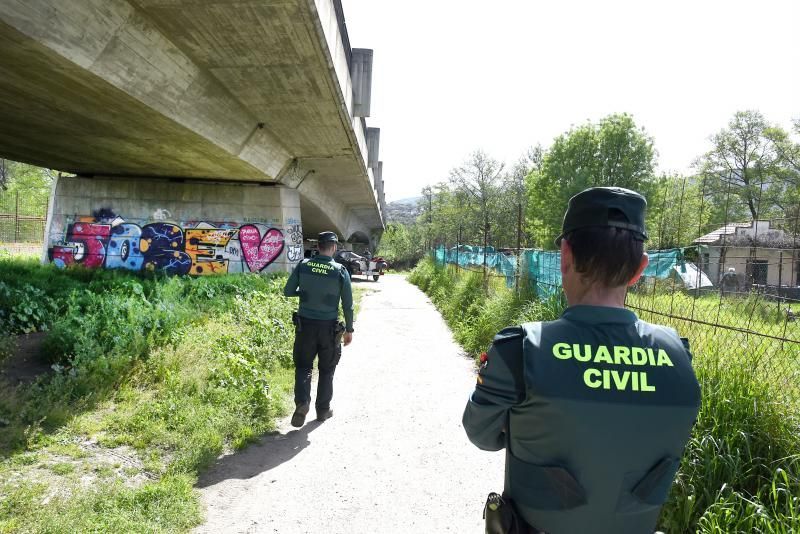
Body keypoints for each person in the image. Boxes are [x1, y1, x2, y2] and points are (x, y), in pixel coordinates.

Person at [463, 187, 701, 534]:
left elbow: (482, 435)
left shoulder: (519, 349)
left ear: (564, 255)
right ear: (640, 269)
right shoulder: (678, 355)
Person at [284, 231, 354, 427]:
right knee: (326, 369)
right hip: (329, 330)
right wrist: (349, 329)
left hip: (305, 326)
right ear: (333, 247)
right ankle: (323, 411)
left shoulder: (303, 265)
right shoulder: (340, 270)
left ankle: (302, 403)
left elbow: (288, 291)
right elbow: (348, 304)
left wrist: (305, 294)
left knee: (304, 367)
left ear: (318, 247)